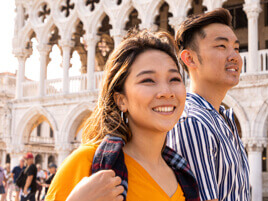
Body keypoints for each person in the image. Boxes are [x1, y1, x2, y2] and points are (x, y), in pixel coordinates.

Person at [45, 29, 200, 201]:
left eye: (174, 79)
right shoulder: (87, 163)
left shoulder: (182, 173)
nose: (166, 92)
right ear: (121, 100)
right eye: (148, 80)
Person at [167, 8, 250, 201]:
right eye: (221, 46)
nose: (235, 57)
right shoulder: (192, 122)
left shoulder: (221, 119)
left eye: (236, 48)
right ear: (189, 58)